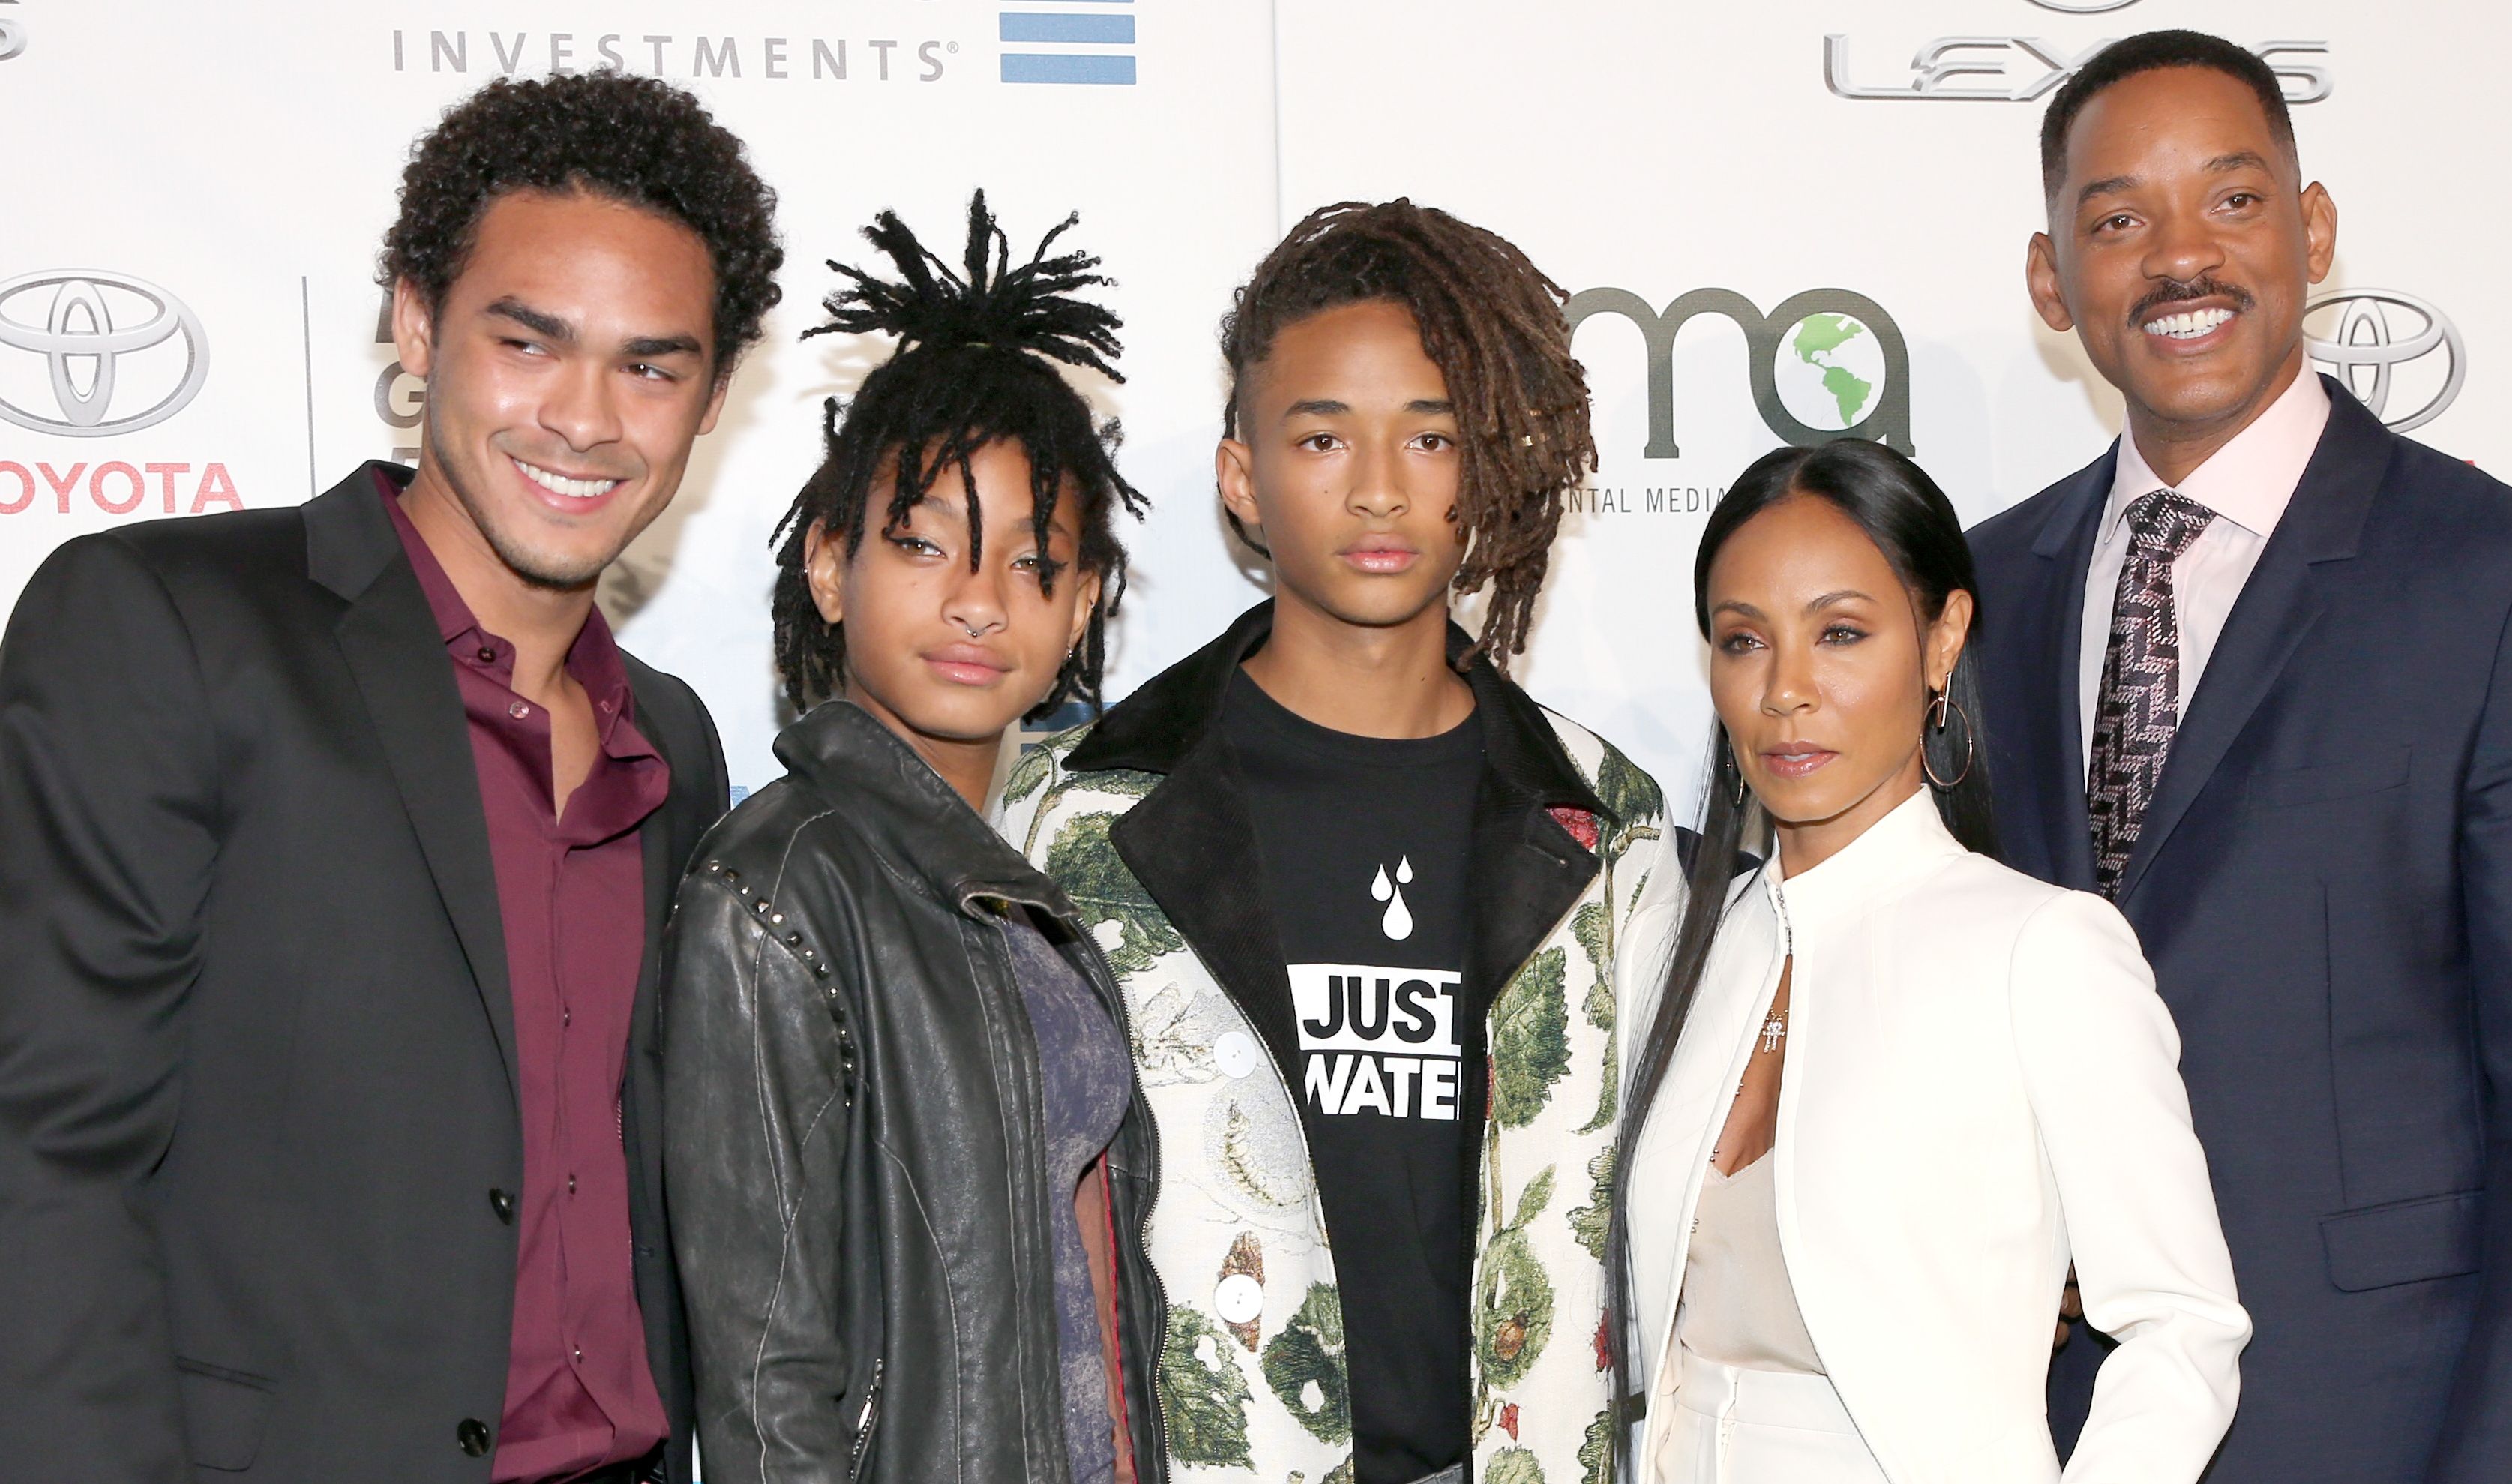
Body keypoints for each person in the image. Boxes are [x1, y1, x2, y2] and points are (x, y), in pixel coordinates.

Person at [0, 72, 778, 1483]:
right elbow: (41, 1158)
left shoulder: (672, 738)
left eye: (651, 368)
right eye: (528, 342)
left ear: (713, 395)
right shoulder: (171, 625)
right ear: (417, 322)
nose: (584, 418)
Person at [1968, 29, 2512, 1481]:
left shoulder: (2510, 588)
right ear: (2050, 279)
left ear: (2313, 232)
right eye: (2118, 220)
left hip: (2381, 1431)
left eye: (2232, 200)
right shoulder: (1975, 598)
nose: (2181, 257)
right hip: (2041, 1436)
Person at [1001, 199, 1680, 1484]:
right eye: (1323, 437)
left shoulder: (1607, 823)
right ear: (1241, 477)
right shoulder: (1072, 821)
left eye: (1431, 436)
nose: (1379, 488)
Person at [1609, 439, 2246, 1484]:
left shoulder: (2040, 950)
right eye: (1744, 641)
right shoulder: (1674, 950)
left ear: (1941, 640)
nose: (1786, 691)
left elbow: (2183, 1326)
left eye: (1841, 633)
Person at [661, 193, 1160, 1484]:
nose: (978, 603)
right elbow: (765, 1384)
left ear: (1080, 607)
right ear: (830, 567)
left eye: (1031, 565)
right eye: (926, 545)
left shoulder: (1022, 891)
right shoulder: (776, 886)